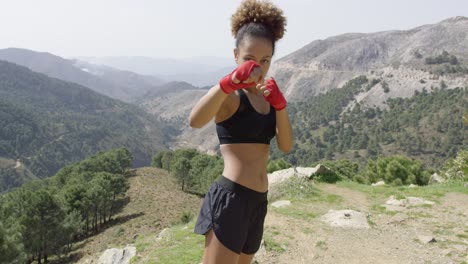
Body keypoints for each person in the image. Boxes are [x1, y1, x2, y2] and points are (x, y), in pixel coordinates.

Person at [188, 0, 293, 263]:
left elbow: (286, 145)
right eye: (249, 59)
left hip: (259, 201)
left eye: (265, 60)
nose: (257, 68)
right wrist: (227, 83)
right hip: (231, 198)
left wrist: (280, 106)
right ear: (236, 56)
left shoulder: (269, 98)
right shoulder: (232, 97)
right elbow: (195, 120)